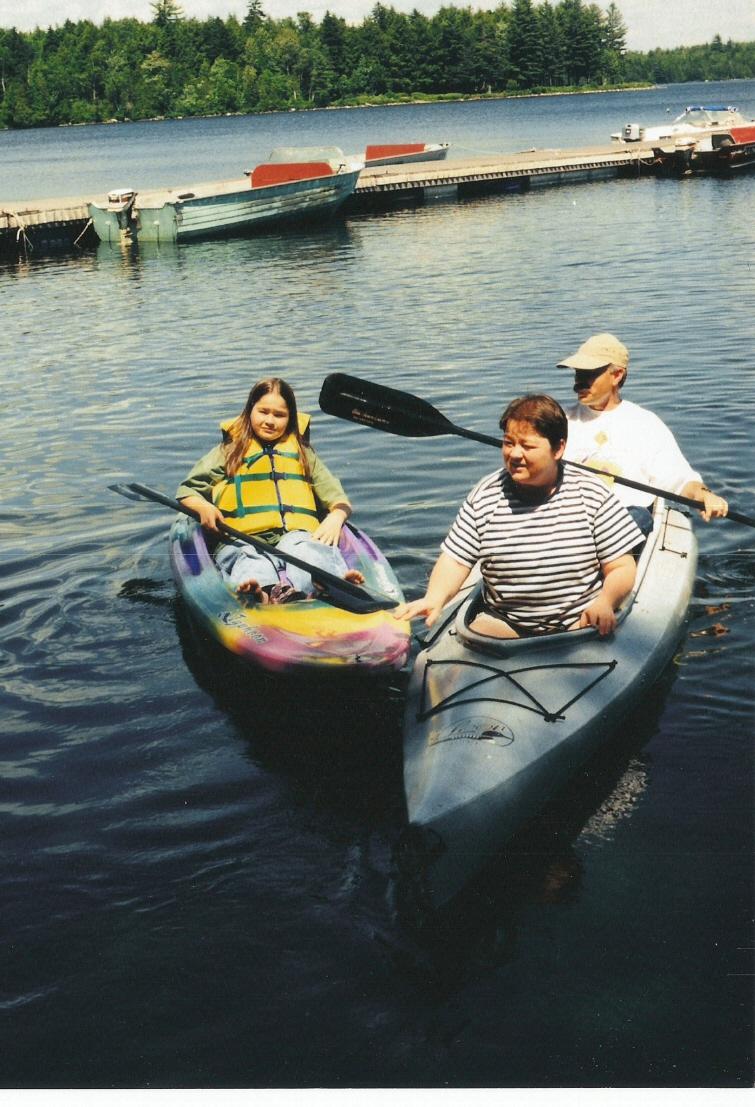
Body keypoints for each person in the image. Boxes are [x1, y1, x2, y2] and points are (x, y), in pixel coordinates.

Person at [395, 394, 643, 639]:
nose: (514, 454)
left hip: (578, 622)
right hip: (505, 624)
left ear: (558, 449)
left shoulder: (591, 492)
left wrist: (605, 602)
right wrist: (434, 598)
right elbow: (456, 560)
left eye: (527, 446)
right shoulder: (485, 495)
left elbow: (621, 567)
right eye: (508, 442)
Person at [176, 377, 364, 603]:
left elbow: (336, 496)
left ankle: (329, 585)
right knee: (248, 559)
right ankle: (261, 592)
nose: (270, 421)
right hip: (243, 537)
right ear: (249, 411)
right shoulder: (228, 451)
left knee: (308, 551)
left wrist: (337, 515)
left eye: (279, 415)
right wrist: (202, 506)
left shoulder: (304, 454)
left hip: (295, 535)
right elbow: (188, 490)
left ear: (290, 418)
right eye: (263, 412)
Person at [556, 333, 728, 536]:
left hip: (628, 520)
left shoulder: (645, 424)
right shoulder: (558, 421)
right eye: (578, 373)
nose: (579, 381)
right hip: (570, 520)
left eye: (589, 373)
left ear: (617, 375)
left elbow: (678, 478)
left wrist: (704, 496)